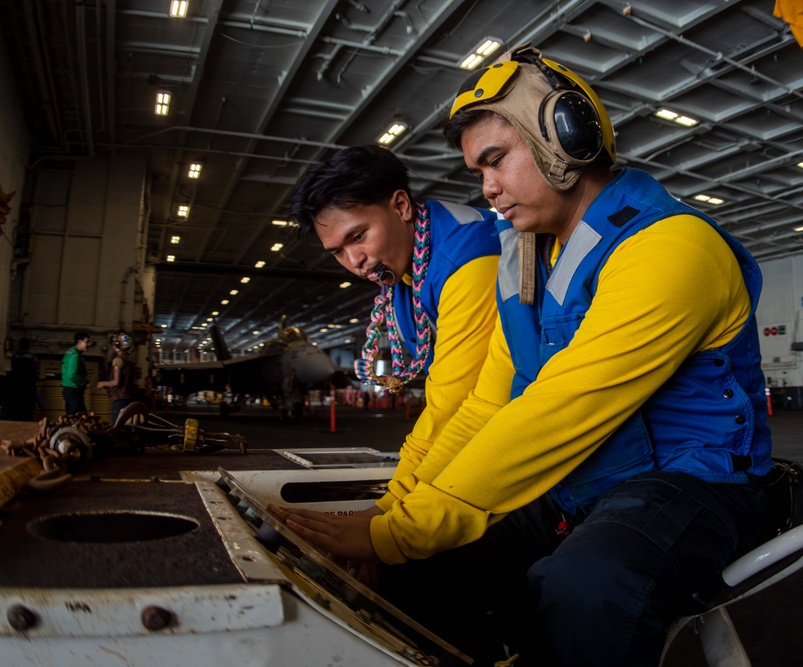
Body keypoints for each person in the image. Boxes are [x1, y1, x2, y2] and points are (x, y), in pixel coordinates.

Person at [274, 47, 775, 666]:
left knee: (586, 590)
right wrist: (395, 509)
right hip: (587, 487)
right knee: (423, 569)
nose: (488, 188)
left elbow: (562, 407)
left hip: (695, 486)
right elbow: (485, 403)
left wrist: (400, 530)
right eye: (477, 171)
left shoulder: (672, 247)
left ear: (566, 136)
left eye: (496, 160)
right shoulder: (525, 265)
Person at [287, 144, 502, 522]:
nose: (354, 262)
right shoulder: (405, 274)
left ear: (401, 206)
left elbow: (453, 404)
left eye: (358, 236)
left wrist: (386, 510)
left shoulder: (467, 260)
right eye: (337, 252)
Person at [97, 330, 135, 425]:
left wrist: (102, 383)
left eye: (115, 342)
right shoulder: (130, 361)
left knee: (116, 428)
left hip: (118, 399)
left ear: (118, 344)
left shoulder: (117, 361)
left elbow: (116, 382)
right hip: (128, 398)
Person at [8, 337, 41, 421]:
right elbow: (36, 373)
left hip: (16, 388)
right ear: (28, 346)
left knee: (16, 411)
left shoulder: (14, 358)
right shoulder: (33, 358)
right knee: (28, 412)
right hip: (28, 388)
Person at [61, 331, 91, 415]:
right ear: (79, 342)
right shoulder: (75, 355)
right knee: (78, 416)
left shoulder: (70, 352)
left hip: (69, 389)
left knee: (74, 415)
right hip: (73, 390)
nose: (89, 344)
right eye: (87, 342)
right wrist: (84, 381)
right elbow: (72, 374)